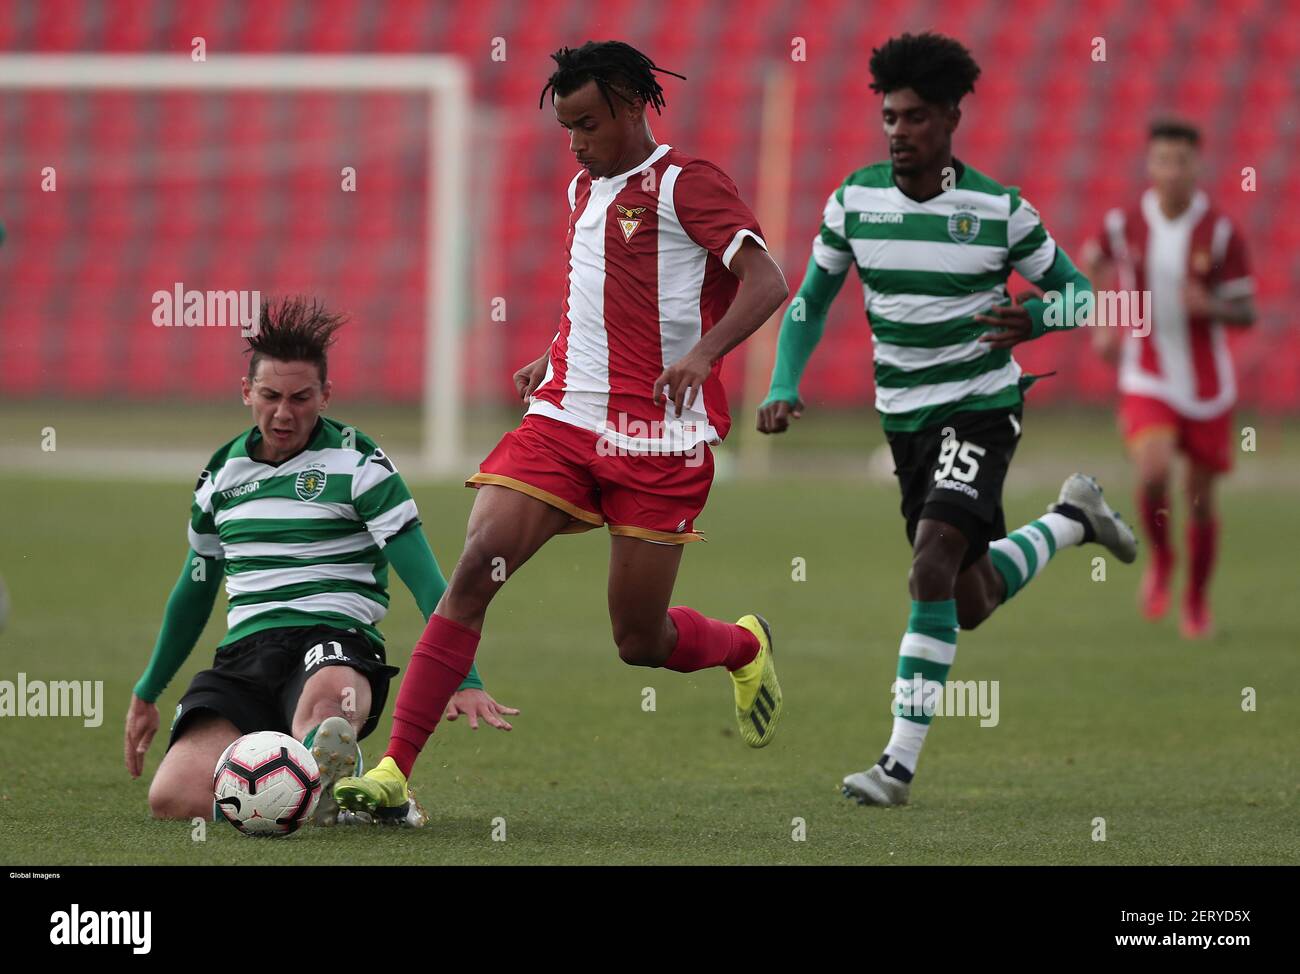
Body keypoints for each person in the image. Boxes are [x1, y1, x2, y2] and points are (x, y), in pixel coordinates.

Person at [334, 40, 790, 821]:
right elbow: (600, 291)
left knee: (638, 640)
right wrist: (548, 356)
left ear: (628, 105)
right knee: (477, 565)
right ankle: (392, 772)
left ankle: (744, 647)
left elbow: (769, 281)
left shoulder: (689, 184)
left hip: (657, 439)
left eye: (586, 123)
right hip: (564, 418)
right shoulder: (584, 189)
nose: (575, 143)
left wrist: (703, 356)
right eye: (565, 127)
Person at [757, 33, 1136, 806]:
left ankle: (895, 767)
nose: (898, 131)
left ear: (952, 119)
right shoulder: (854, 202)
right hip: (904, 423)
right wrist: (784, 381)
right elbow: (809, 302)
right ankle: (1072, 517)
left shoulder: (999, 211)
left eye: (916, 117)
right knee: (970, 597)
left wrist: (1035, 321)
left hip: (982, 408)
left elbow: (1093, 298)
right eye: (890, 117)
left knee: (930, 562)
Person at [125, 297, 514, 827]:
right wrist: (147, 691)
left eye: (301, 398)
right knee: (172, 797)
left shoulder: (361, 464)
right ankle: (335, 801)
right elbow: (194, 590)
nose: (283, 414)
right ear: (247, 393)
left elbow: (427, 581)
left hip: (336, 640)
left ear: (325, 395)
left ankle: (332, 768)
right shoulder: (220, 476)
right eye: (270, 396)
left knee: (328, 709)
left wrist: (464, 678)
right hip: (246, 655)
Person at [1084, 120, 1255, 638]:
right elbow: (1094, 261)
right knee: (1154, 471)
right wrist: (1105, 321)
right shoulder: (1125, 223)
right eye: (1163, 160)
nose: (1172, 171)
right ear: (1151, 165)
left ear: (1197, 166)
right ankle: (1161, 561)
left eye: (1182, 161)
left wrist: (1212, 306)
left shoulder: (1221, 232)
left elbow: (1247, 311)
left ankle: (1196, 602)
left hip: (1206, 384)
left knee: (1200, 497)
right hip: (1148, 371)